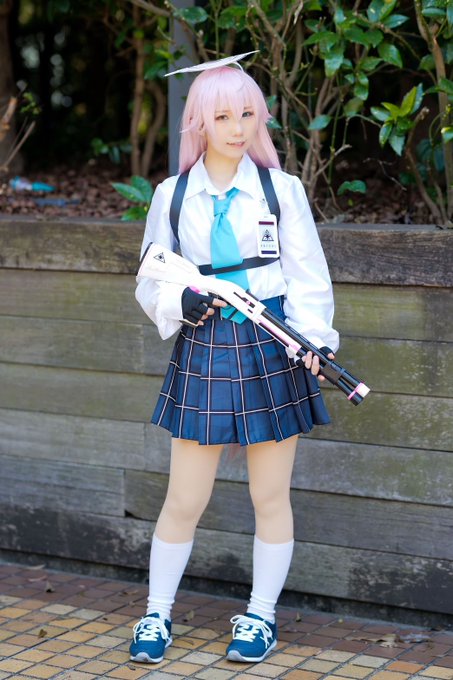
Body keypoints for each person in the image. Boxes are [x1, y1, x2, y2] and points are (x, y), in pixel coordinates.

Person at [130, 51, 339, 666]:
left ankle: (260, 616)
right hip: (205, 346)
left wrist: (315, 340)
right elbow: (150, 277)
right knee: (184, 498)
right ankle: (156, 614)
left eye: (248, 114)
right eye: (223, 116)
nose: (237, 128)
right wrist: (182, 300)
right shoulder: (172, 195)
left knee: (270, 496)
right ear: (199, 121)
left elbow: (308, 276)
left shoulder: (281, 190)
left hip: (273, 345)